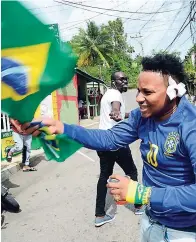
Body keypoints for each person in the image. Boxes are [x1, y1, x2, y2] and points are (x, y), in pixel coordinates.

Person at [21, 54, 196, 241]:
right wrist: (62, 127)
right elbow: (109, 138)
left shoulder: (190, 126)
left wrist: (142, 193)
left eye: (148, 92)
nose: (138, 98)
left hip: (182, 232)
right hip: (151, 220)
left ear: (173, 93)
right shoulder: (141, 117)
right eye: (138, 90)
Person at [94, 71, 139, 227]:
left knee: (104, 176)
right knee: (132, 172)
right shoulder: (115, 94)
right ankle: (138, 205)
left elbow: (118, 112)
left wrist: (132, 114)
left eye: (126, 79)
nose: (125, 81)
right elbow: (115, 108)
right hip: (116, 141)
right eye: (121, 79)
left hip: (103, 141)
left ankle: (99, 215)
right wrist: (116, 112)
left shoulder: (109, 93)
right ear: (113, 82)